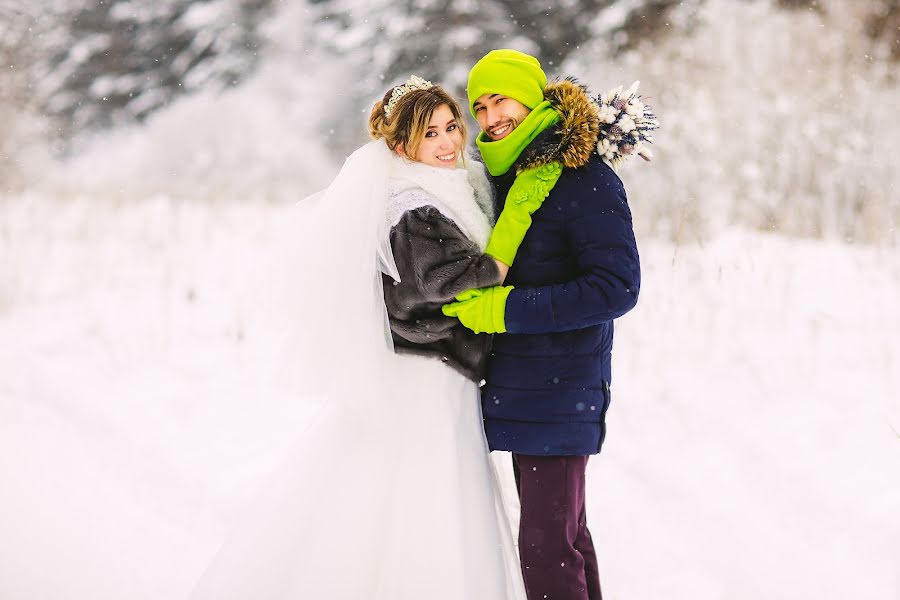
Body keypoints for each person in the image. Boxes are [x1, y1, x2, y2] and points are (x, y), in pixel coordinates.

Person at [189, 76, 534, 599]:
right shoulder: (412, 205)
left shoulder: (447, 186)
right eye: (430, 135)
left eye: (451, 127)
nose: (448, 143)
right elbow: (442, 278)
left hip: (443, 372)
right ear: (401, 146)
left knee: (411, 494)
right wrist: (507, 249)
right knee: (418, 494)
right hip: (424, 373)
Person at [443, 49, 642, 600]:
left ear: (531, 96)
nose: (489, 117)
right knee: (564, 540)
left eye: (500, 99)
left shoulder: (584, 179)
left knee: (546, 548)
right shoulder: (505, 180)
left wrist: (502, 310)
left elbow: (616, 287)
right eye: (478, 106)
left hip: (563, 385)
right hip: (525, 388)